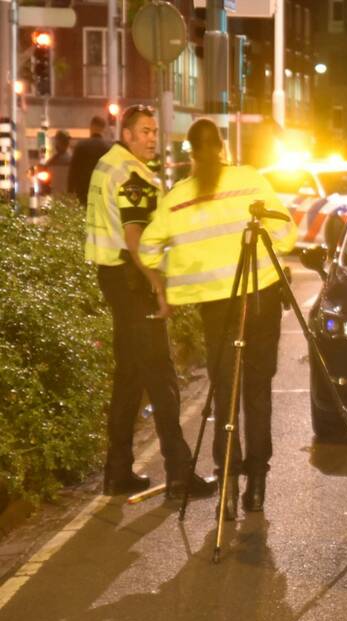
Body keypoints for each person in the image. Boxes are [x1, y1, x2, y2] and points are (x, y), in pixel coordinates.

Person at [139, 119, 297, 520]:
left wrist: (171, 273)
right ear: (222, 147)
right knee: (257, 393)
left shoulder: (178, 199)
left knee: (224, 393)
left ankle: (226, 480)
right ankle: (257, 487)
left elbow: (148, 248)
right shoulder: (249, 181)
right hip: (259, 299)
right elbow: (286, 233)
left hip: (216, 309)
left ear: (190, 153)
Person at [84, 104, 216, 500]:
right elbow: (135, 236)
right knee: (162, 377)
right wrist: (158, 285)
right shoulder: (133, 175)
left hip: (114, 277)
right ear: (125, 134)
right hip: (132, 281)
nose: (150, 138)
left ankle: (117, 470)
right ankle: (179, 473)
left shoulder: (109, 164)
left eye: (153, 131)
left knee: (130, 374)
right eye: (143, 131)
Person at [69, 116, 111, 206]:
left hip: (83, 189)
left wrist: (70, 190)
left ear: (91, 126)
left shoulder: (81, 146)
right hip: (101, 190)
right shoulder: (108, 148)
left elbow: (73, 170)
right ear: (103, 128)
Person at [43, 130, 71, 196]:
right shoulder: (53, 160)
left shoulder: (69, 159)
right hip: (58, 196)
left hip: (63, 196)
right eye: (62, 141)